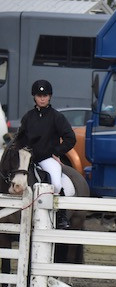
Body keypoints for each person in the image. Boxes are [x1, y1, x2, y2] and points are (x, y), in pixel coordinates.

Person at [14, 79, 76, 229]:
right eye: (39, 95)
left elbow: (70, 138)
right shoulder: (28, 117)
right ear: (34, 97)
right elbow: (20, 138)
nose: (42, 98)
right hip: (28, 159)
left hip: (47, 159)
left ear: (50, 97)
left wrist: (57, 151)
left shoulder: (57, 117)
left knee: (56, 182)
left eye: (45, 95)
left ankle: (61, 216)